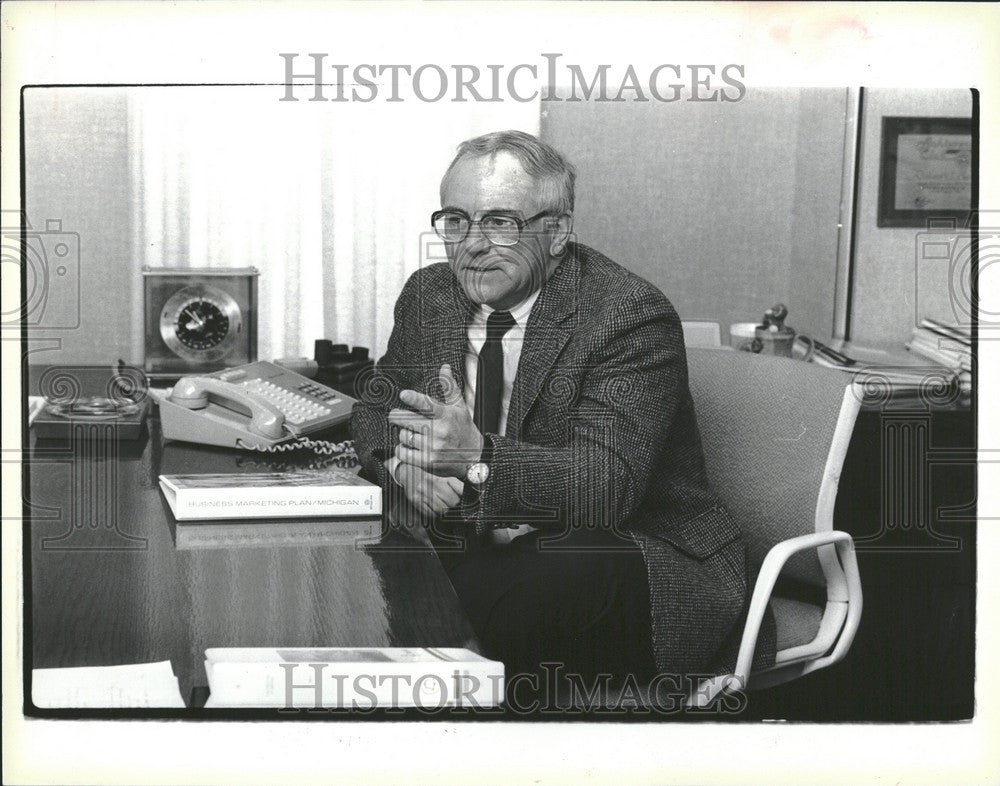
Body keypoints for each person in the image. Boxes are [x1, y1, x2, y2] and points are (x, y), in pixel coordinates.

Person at [351, 130, 761, 690]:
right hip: (482, 540)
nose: (471, 244)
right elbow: (374, 413)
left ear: (558, 231)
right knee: (366, 564)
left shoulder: (627, 314)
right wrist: (407, 466)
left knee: (526, 583)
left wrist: (473, 457)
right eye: (455, 220)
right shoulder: (431, 294)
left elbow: (604, 486)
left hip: (626, 551)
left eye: (500, 222)